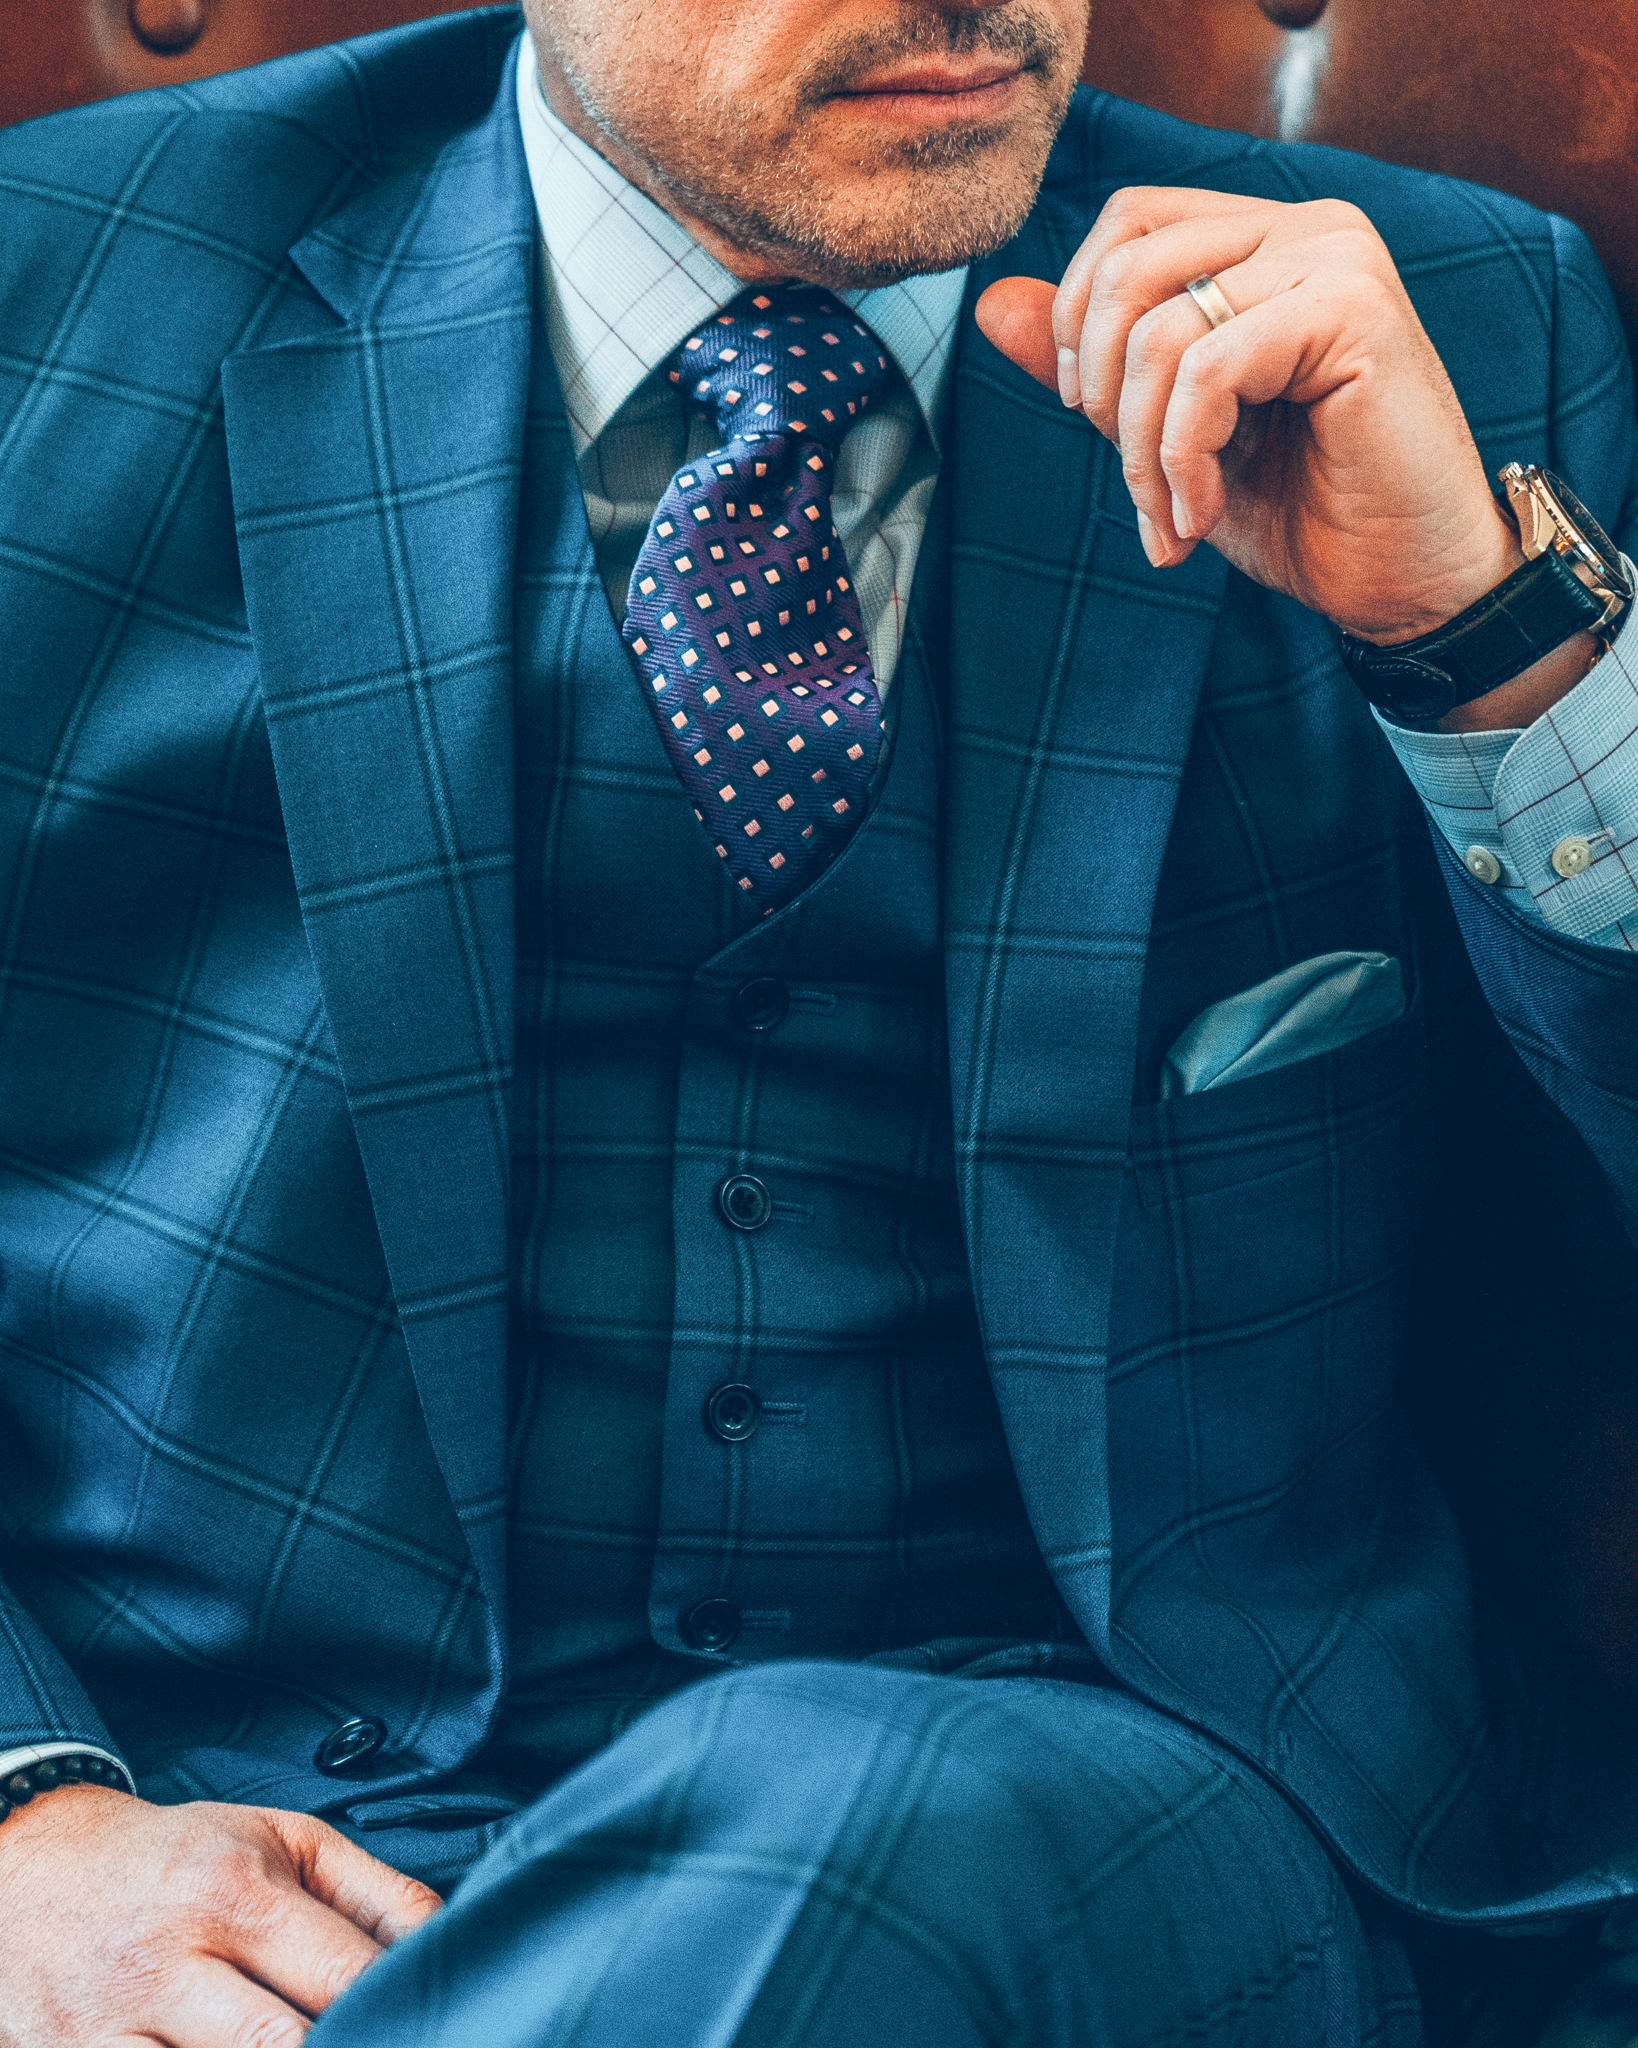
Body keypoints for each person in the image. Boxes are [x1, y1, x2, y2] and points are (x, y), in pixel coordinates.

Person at [2, 0, 1638, 2039]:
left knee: (846, 1823)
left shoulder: (1447, 326)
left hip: (1111, 1812)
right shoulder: (47, 300)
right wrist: (21, 1814)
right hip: (232, 1815)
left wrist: (1486, 647)